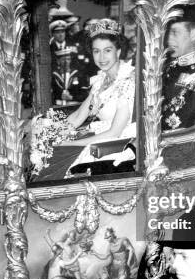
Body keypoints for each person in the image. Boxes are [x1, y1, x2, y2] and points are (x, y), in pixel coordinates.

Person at [58, 19, 136, 170]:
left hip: (117, 147)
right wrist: (54, 134)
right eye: (96, 51)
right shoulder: (101, 80)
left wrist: (68, 144)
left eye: (107, 50)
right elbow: (78, 116)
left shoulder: (128, 82)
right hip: (99, 137)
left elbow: (114, 132)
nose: (101, 58)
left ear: (118, 52)